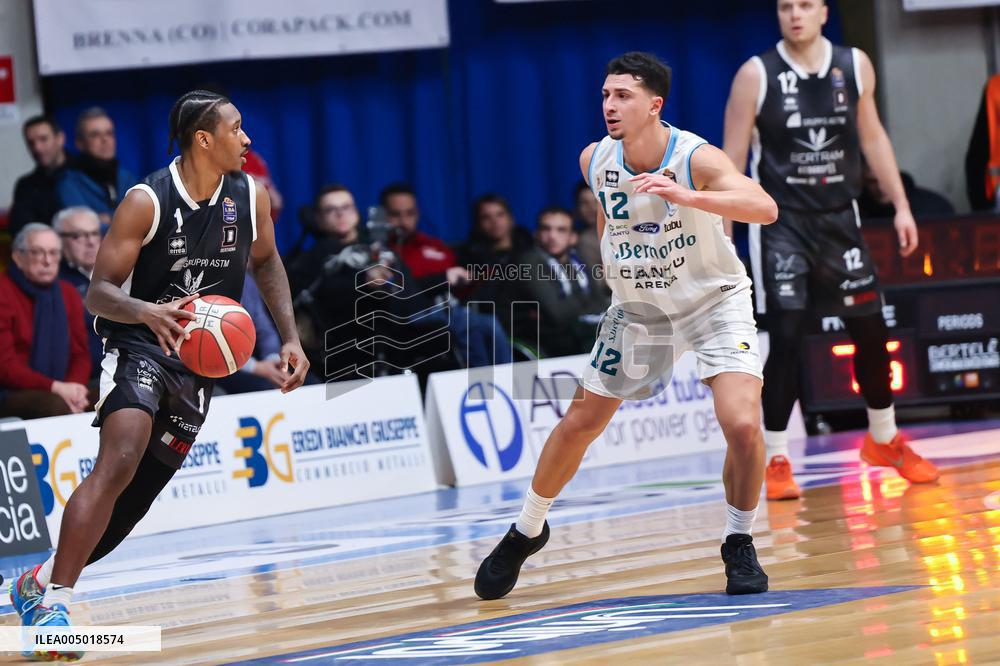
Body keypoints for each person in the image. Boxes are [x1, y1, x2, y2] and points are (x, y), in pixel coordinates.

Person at [9, 90, 309, 661]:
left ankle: (37, 582)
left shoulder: (250, 196)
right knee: (120, 457)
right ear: (204, 139)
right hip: (140, 343)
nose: (246, 139)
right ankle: (56, 607)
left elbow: (267, 261)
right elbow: (98, 292)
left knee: (133, 504)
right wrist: (146, 311)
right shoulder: (146, 201)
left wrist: (290, 336)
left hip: (196, 363)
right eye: (236, 129)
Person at [474, 52, 779, 601]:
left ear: (654, 105)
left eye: (623, 96)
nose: (609, 106)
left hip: (712, 302)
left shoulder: (694, 157)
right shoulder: (594, 158)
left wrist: (689, 196)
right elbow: (607, 215)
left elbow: (764, 206)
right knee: (580, 422)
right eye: (605, 95)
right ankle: (527, 529)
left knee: (741, 423)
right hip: (641, 309)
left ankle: (738, 540)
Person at [722, 0, 939, 501]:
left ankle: (883, 438)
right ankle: (776, 458)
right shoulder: (756, 74)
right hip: (781, 225)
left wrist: (901, 205)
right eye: (785, 6)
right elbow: (731, 160)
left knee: (872, 330)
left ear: (823, 11)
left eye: (805, 5)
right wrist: (725, 232)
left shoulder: (854, 64)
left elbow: (873, 136)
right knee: (787, 336)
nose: (794, 14)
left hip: (841, 220)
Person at [381, 183, 513, 367]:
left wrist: (470, 280)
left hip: (451, 307)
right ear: (383, 216)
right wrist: (443, 279)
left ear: (418, 214)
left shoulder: (437, 247)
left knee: (481, 328)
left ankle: (495, 379)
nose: (403, 221)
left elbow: (460, 289)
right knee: (482, 325)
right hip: (413, 315)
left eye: (409, 213)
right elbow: (404, 291)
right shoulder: (384, 252)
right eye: (396, 214)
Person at [0, 224, 91, 419]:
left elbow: (81, 354)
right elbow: (4, 366)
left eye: (53, 253)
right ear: (17, 256)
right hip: (11, 391)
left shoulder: (68, 293)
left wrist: (75, 388)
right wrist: (56, 388)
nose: (47, 261)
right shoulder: (4, 291)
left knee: (114, 396)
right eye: (37, 252)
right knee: (54, 405)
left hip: (62, 387)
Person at [516, 207, 609, 357]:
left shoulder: (578, 259)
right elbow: (557, 314)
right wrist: (586, 303)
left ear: (573, 237)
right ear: (536, 234)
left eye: (561, 230)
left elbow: (600, 302)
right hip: (544, 339)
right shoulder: (529, 262)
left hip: (577, 331)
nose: (552, 236)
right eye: (546, 229)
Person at [456, 193, 533, 325]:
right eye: (486, 217)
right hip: (492, 321)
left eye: (500, 214)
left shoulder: (531, 251)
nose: (495, 222)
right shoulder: (469, 258)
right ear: (478, 224)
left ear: (511, 219)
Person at [57, 107, 137, 226]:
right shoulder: (68, 183)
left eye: (109, 133)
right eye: (95, 135)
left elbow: (140, 219)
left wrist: (107, 218)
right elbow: (84, 227)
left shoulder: (127, 177)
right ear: (80, 143)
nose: (104, 139)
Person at [54, 206, 105, 382]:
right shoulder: (53, 281)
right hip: (84, 379)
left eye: (95, 233)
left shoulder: (120, 272)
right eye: (78, 236)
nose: (91, 242)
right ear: (59, 240)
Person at [9, 115, 68, 237]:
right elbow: (22, 231)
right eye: (31, 143)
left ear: (60, 138)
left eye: (43, 139)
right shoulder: (26, 186)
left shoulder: (87, 171)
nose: (37, 148)